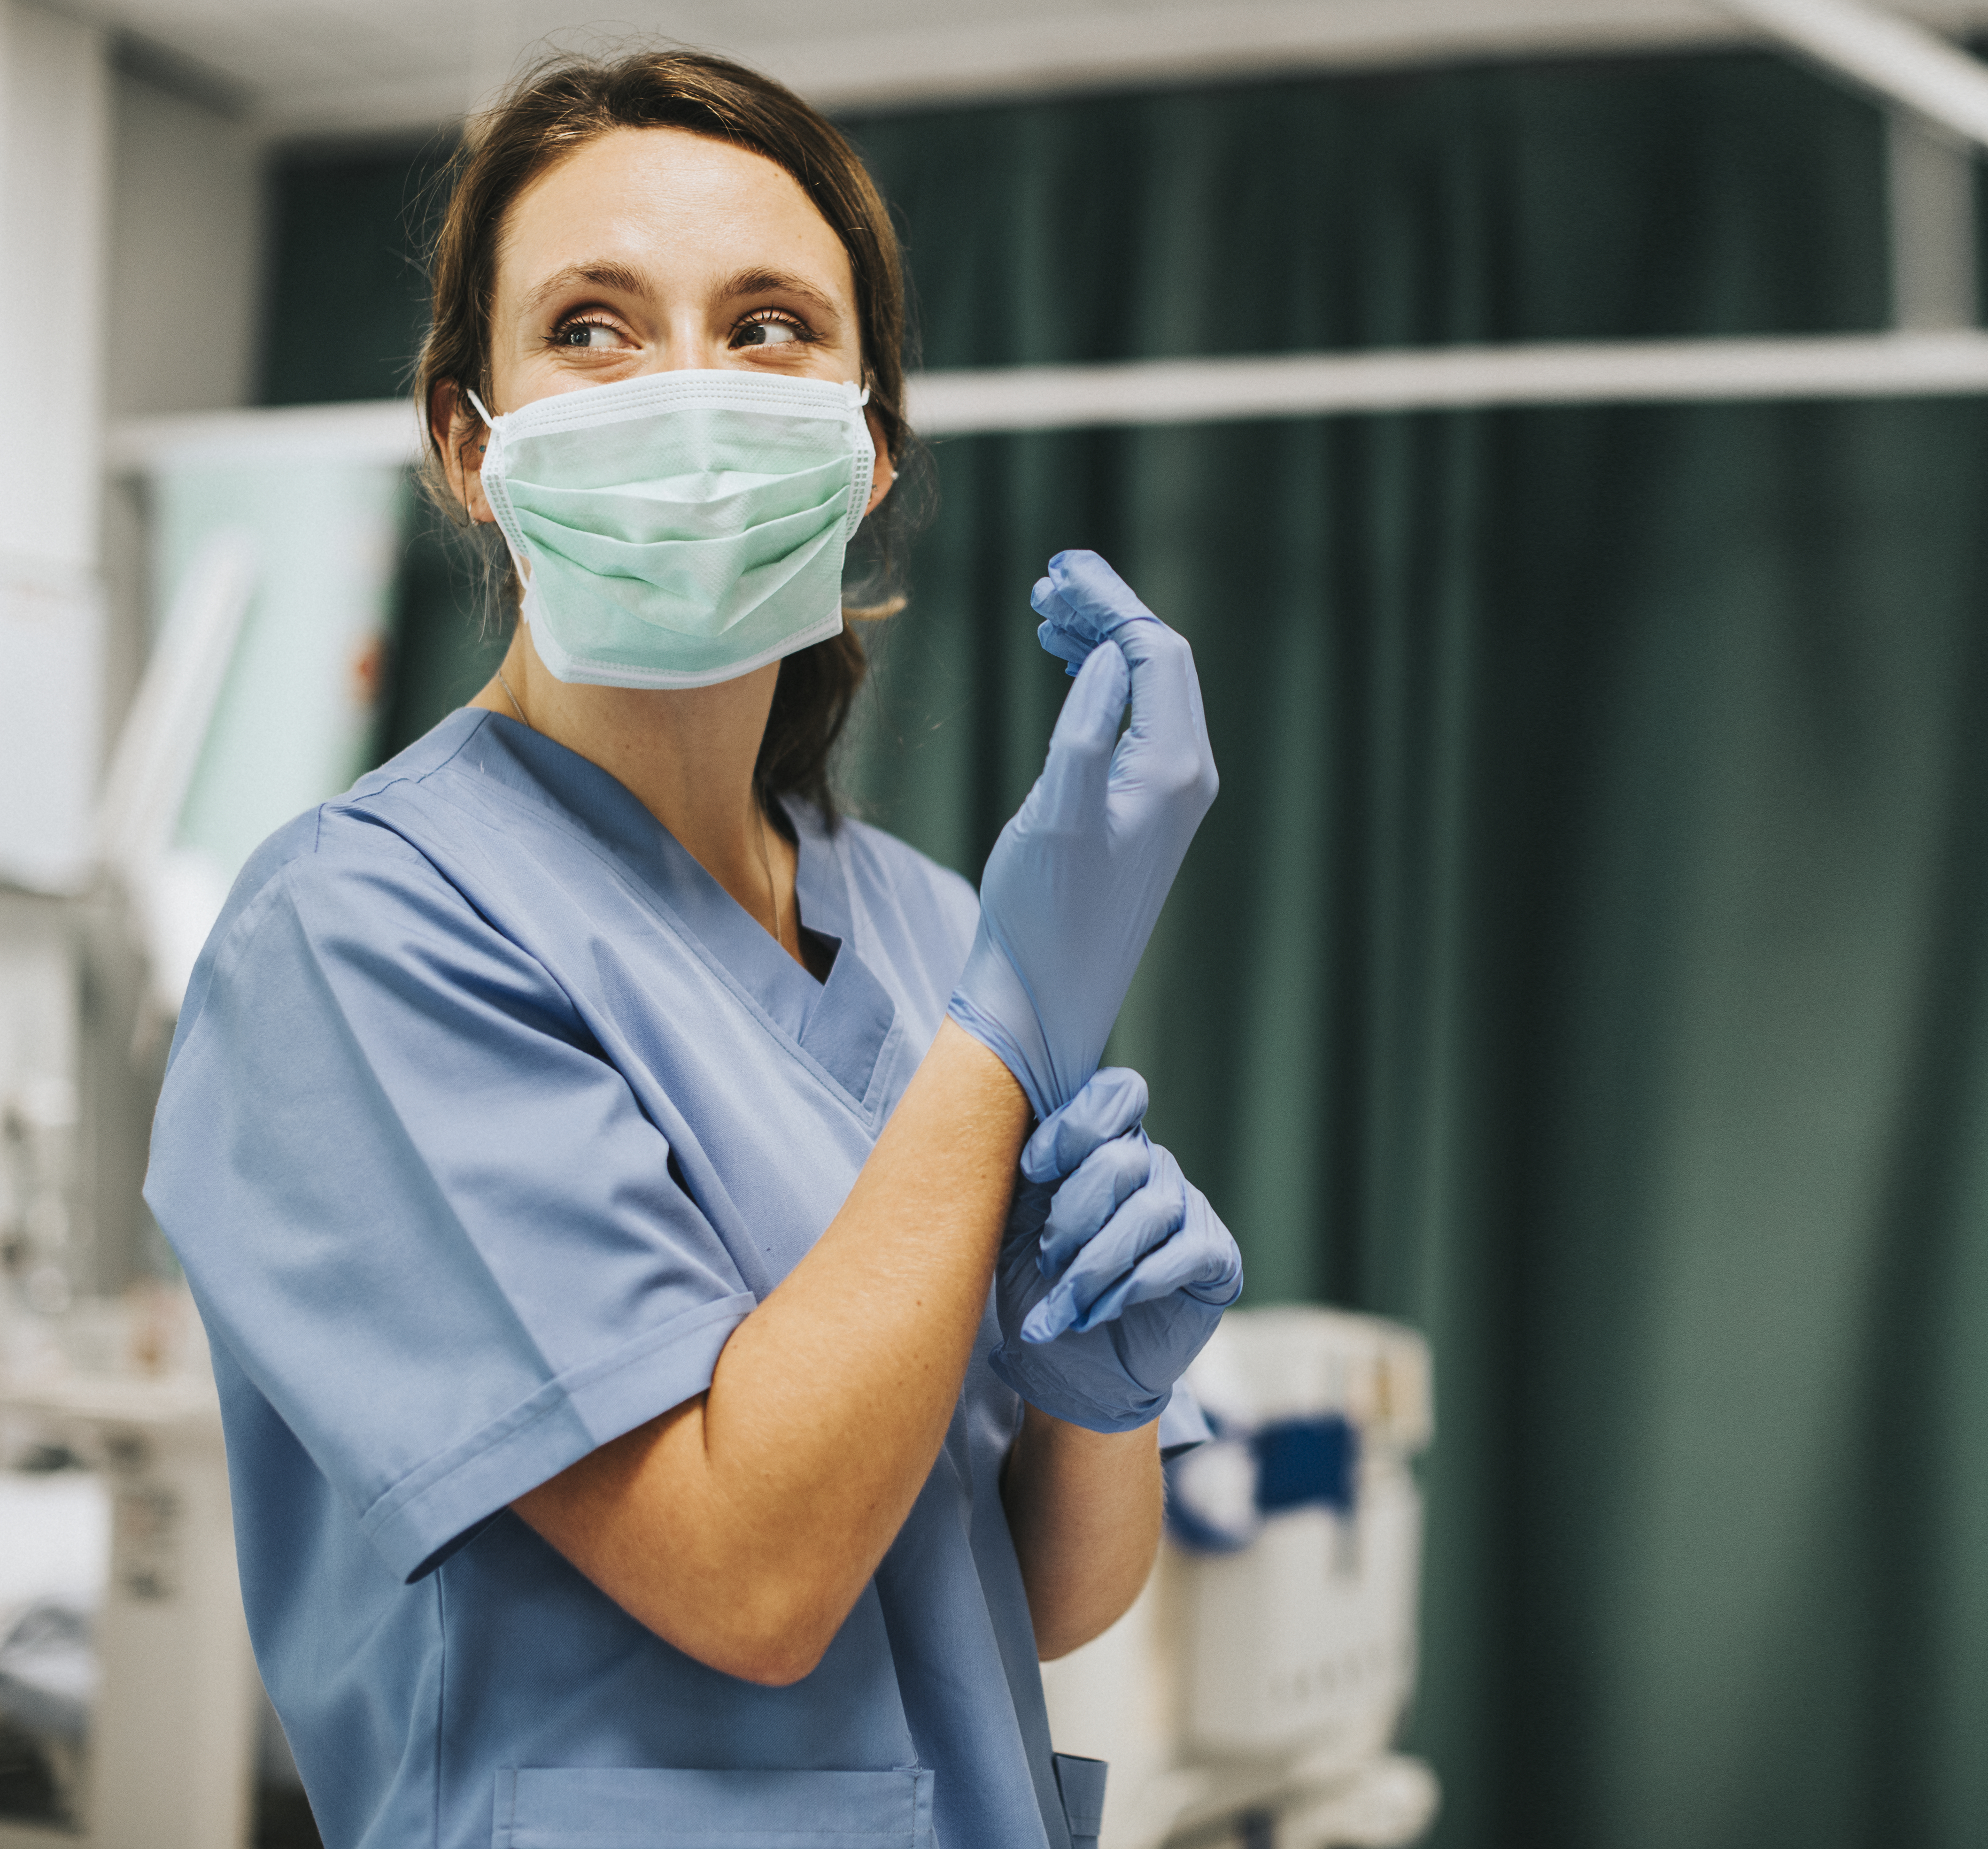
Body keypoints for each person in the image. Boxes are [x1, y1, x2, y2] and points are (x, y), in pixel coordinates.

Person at [141, 50, 1239, 1849]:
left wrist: (1095, 1396)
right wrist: (1007, 1038)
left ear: (866, 447)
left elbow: (1017, 1603)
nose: (686, 393)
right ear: (464, 445)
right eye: (590, 325)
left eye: (770, 326)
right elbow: (753, 1574)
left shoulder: (931, 928)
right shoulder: (355, 935)